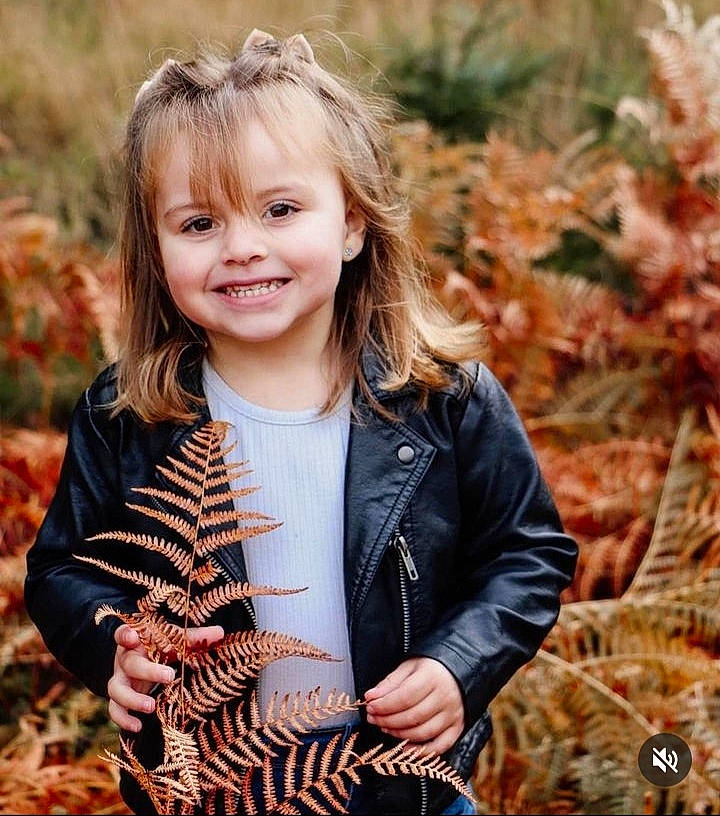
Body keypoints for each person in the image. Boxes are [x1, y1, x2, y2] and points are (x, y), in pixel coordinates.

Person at [24, 28, 578, 816]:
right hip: (208, 782)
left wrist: (459, 664)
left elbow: (528, 551)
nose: (243, 248)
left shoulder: (442, 398)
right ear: (156, 248)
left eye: (280, 209)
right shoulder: (128, 414)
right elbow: (60, 571)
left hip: (400, 779)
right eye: (198, 224)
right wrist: (112, 641)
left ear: (352, 223)